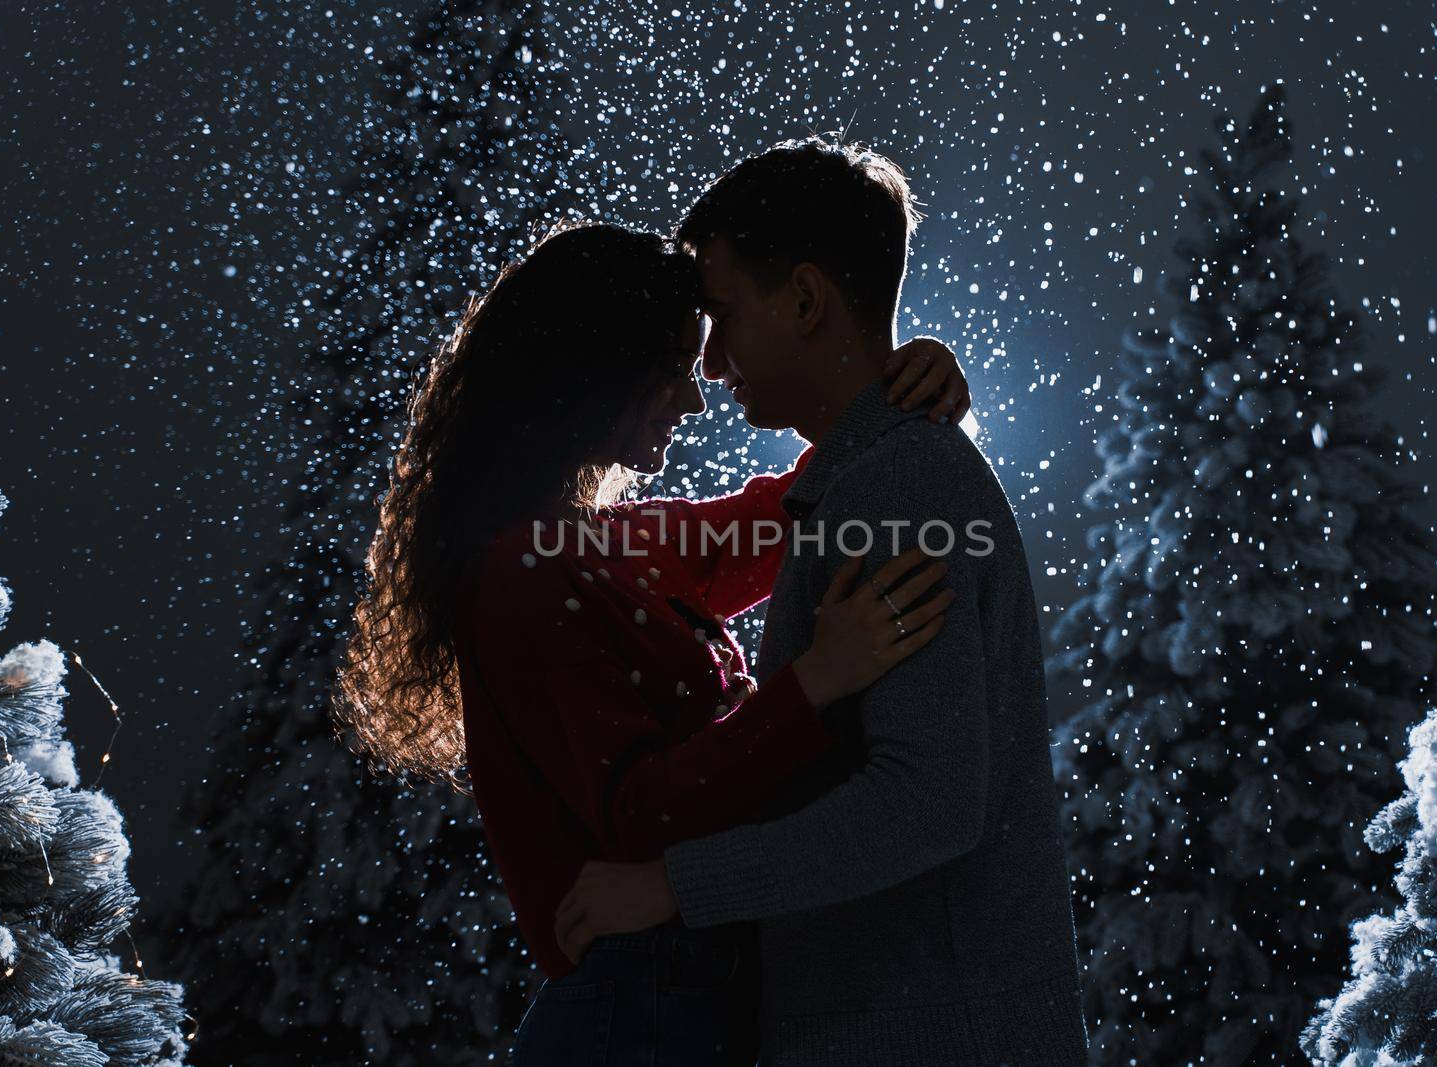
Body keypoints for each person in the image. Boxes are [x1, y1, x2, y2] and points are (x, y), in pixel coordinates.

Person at [331, 219, 974, 1065]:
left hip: (679, 998)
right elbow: (636, 814)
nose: (696, 397)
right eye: (673, 366)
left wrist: (907, 389)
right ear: (593, 367)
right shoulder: (523, 572)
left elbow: (791, 511)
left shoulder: (612, 545)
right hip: (638, 1014)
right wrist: (816, 679)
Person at [553, 138, 1090, 1065]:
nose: (713, 366)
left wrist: (673, 885)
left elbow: (926, 802)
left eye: (722, 317)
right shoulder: (868, 478)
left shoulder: (899, 483)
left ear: (804, 300)